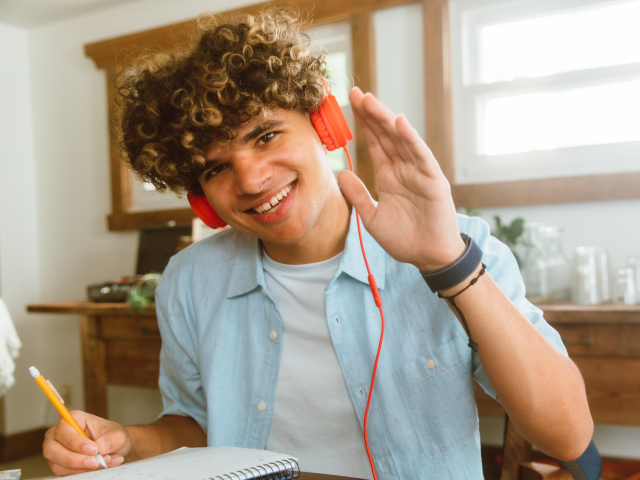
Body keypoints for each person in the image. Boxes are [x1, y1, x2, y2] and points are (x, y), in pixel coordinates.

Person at [43, 9, 593, 478]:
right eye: (216, 168)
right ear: (201, 201)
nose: (253, 179)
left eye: (265, 134)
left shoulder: (461, 246)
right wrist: (125, 442)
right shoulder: (189, 281)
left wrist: (449, 265)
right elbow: (193, 425)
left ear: (324, 123)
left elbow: (568, 439)